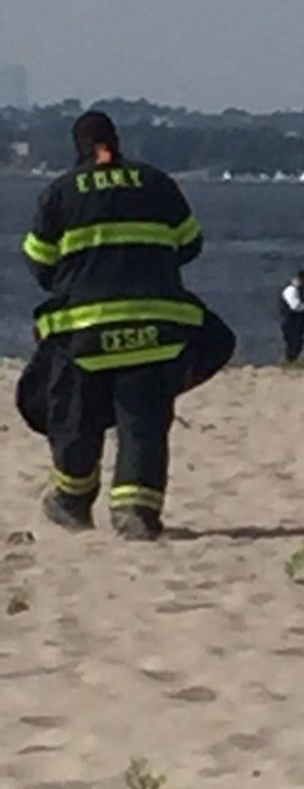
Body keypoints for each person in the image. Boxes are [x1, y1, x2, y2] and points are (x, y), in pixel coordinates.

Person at [20, 109, 206, 540]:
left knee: (76, 420)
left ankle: (71, 501)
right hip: (154, 330)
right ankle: (135, 513)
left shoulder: (60, 192)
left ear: (78, 147)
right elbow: (190, 243)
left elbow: (39, 260)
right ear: (116, 139)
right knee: (142, 422)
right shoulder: (157, 183)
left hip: (83, 333)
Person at [279, 270, 304, 363]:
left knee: (298, 343)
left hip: (298, 323)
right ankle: (290, 361)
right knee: (292, 344)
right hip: (290, 323)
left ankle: (292, 361)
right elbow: (295, 306)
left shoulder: (299, 291)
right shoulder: (291, 290)